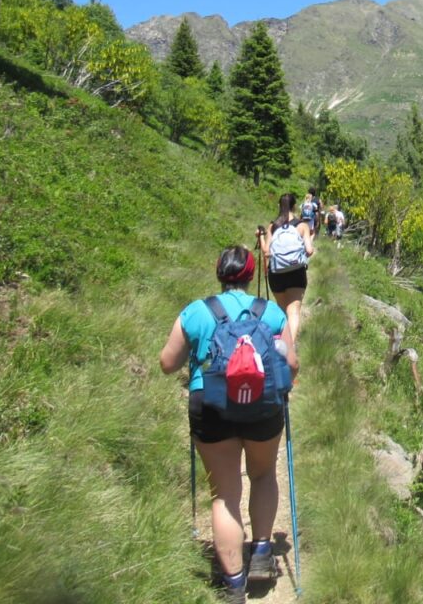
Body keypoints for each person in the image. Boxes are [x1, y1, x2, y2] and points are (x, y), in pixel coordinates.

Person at [159, 245, 298, 603]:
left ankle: (233, 585)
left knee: (224, 494)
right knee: (263, 475)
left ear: (219, 273)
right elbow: (292, 365)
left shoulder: (196, 312)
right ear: (251, 275)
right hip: (263, 408)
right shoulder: (271, 313)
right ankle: (263, 553)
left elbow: (167, 363)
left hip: (212, 407)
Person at [258, 192, 314, 348]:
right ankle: (288, 348)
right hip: (297, 272)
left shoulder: (273, 226)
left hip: (276, 274)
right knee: (294, 311)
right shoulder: (302, 225)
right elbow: (309, 250)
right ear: (295, 206)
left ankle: (278, 341)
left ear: (279, 206)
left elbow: (266, 251)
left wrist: (261, 237)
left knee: (282, 310)